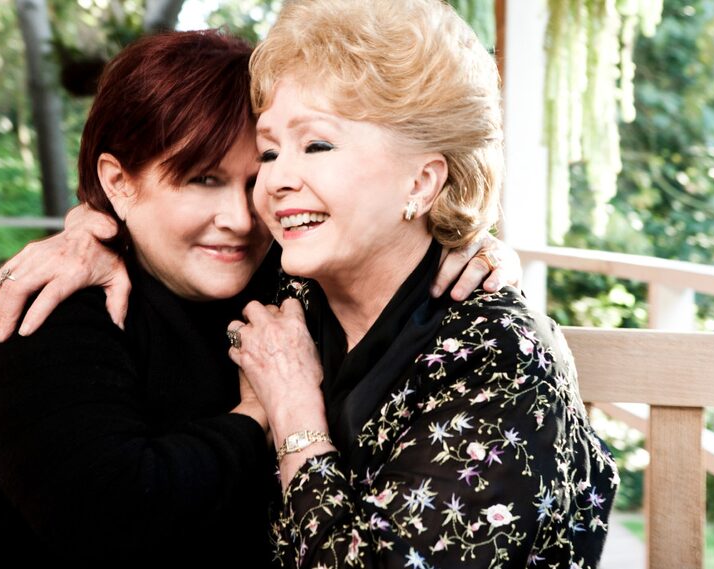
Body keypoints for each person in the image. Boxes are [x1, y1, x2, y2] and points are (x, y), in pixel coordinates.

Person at [0, 29, 515, 567]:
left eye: (256, 175)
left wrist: (466, 243)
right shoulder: (50, 304)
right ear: (118, 182)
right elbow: (114, 520)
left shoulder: (285, 284)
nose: (241, 220)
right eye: (203, 180)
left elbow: (384, 248)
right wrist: (261, 412)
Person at [225, 0, 619, 567]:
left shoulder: (502, 359)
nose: (277, 179)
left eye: (317, 145)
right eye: (269, 150)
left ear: (423, 179)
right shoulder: (291, 300)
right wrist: (91, 238)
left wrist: (294, 413)